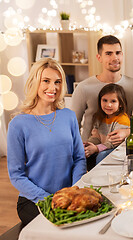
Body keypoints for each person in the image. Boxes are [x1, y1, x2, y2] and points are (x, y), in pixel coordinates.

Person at [7, 58, 86, 226]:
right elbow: (16, 174)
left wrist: (74, 190)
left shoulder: (68, 116)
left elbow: (79, 157)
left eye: (57, 82)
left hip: (68, 197)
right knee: (60, 229)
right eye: (46, 81)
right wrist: (48, 199)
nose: (53, 88)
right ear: (35, 82)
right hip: (34, 200)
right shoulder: (18, 124)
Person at [71, 35, 133, 143]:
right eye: (108, 54)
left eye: (118, 53)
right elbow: (73, 125)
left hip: (124, 150)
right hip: (90, 153)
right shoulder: (83, 87)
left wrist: (128, 132)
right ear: (99, 58)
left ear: (122, 55)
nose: (115, 58)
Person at [84, 83, 130, 170]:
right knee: (85, 153)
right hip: (103, 147)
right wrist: (89, 144)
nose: (108, 105)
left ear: (120, 104)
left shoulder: (122, 119)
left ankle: (99, 176)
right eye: (105, 100)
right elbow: (96, 137)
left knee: (102, 155)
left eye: (113, 101)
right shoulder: (99, 117)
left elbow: (113, 143)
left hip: (116, 150)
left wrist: (96, 148)